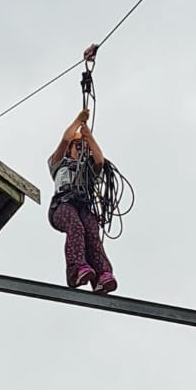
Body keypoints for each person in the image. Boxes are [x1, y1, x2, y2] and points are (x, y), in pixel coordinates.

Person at [48, 109, 117, 294]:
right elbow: (65, 139)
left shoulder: (87, 170)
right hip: (62, 205)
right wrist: (79, 121)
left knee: (92, 231)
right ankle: (76, 269)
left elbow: (100, 161)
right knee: (76, 226)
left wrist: (89, 138)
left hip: (83, 206)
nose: (80, 150)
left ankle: (102, 275)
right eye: (77, 146)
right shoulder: (58, 163)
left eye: (83, 148)